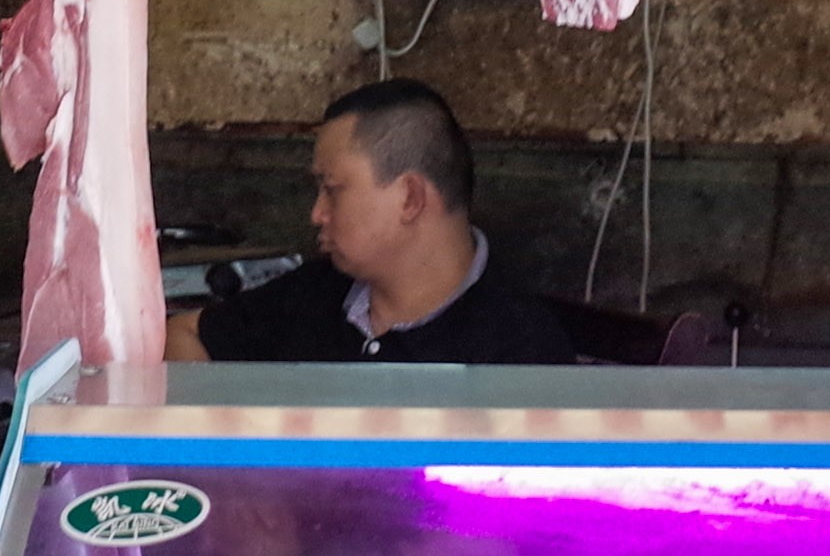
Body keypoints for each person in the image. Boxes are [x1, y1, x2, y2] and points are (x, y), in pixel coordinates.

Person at [169, 79, 579, 365]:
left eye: (332, 189)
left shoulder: (520, 349)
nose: (316, 214)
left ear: (409, 198)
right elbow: (183, 335)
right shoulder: (316, 295)